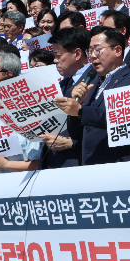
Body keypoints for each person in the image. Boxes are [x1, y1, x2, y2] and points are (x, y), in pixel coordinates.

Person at [56, 26, 130, 165]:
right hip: (89, 164)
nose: (92, 55)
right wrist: (75, 109)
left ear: (117, 50)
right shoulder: (91, 83)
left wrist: (80, 111)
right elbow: (76, 134)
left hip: (118, 164)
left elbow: (118, 118)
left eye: (97, 50)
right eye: (90, 50)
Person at [43, 28, 91, 168]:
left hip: (80, 164)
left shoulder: (95, 80)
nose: (55, 60)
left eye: (58, 55)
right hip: (56, 163)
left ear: (77, 53)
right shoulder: (60, 85)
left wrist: (72, 143)